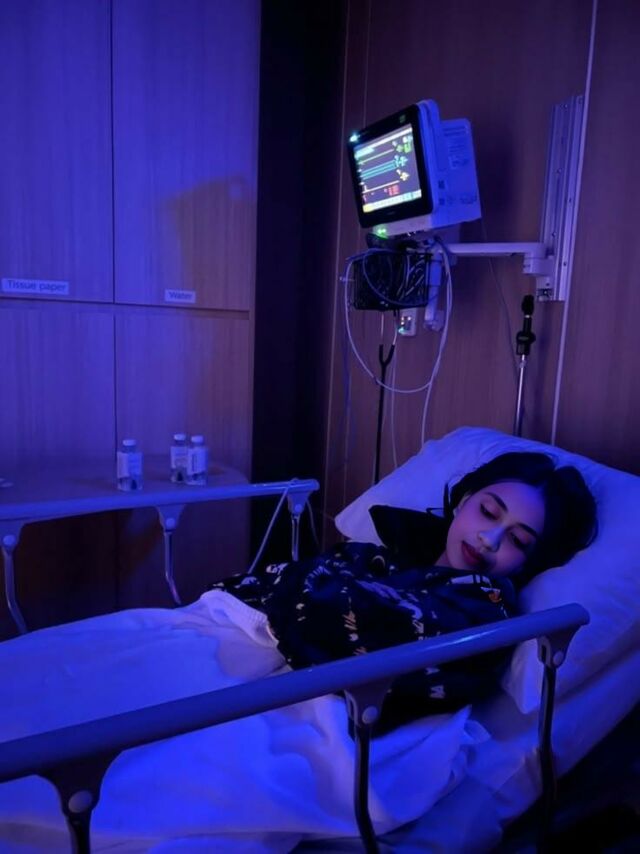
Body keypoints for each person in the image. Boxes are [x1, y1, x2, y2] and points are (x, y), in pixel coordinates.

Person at [212, 451, 598, 732]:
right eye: (488, 512)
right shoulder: (389, 557)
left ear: (528, 563)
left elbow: (328, 613)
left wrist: (307, 583)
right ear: (464, 500)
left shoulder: (486, 610)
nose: (489, 539)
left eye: (517, 540)